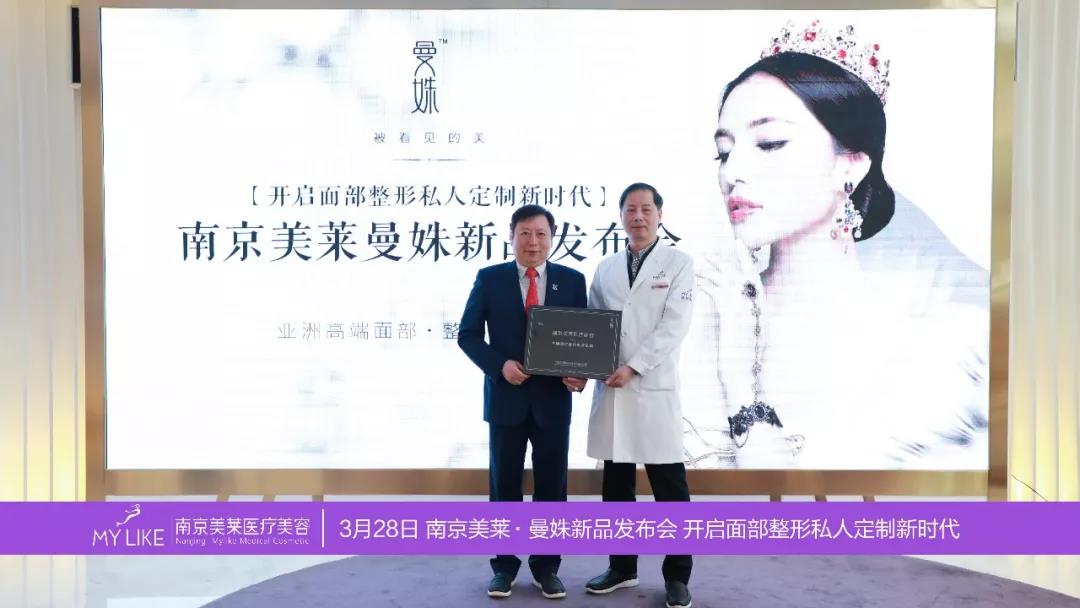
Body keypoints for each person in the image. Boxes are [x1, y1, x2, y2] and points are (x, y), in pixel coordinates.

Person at [681, 22, 988, 470]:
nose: (732, 172)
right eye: (724, 152)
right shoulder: (701, 313)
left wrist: (740, 382)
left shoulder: (938, 347)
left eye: (769, 143)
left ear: (851, 165)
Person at [457, 204, 588, 600]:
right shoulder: (490, 278)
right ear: (511, 236)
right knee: (504, 487)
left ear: (552, 238)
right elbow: (467, 335)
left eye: (541, 234)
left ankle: (547, 566)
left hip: (553, 402)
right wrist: (499, 366)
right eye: (525, 233)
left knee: (552, 488)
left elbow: (583, 340)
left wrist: (580, 373)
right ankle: (504, 565)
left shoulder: (572, 280)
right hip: (506, 400)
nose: (533, 242)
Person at [584, 183, 695, 608]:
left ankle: (678, 575)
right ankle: (622, 566)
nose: (638, 217)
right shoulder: (607, 267)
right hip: (613, 389)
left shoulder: (679, 264)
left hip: (652, 387)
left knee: (670, 489)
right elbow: (594, 323)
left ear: (660, 215)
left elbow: (674, 325)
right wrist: (583, 368)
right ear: (621, 216)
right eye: (630, 209)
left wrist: (634, 365)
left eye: (646, 209)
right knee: (617, 487)